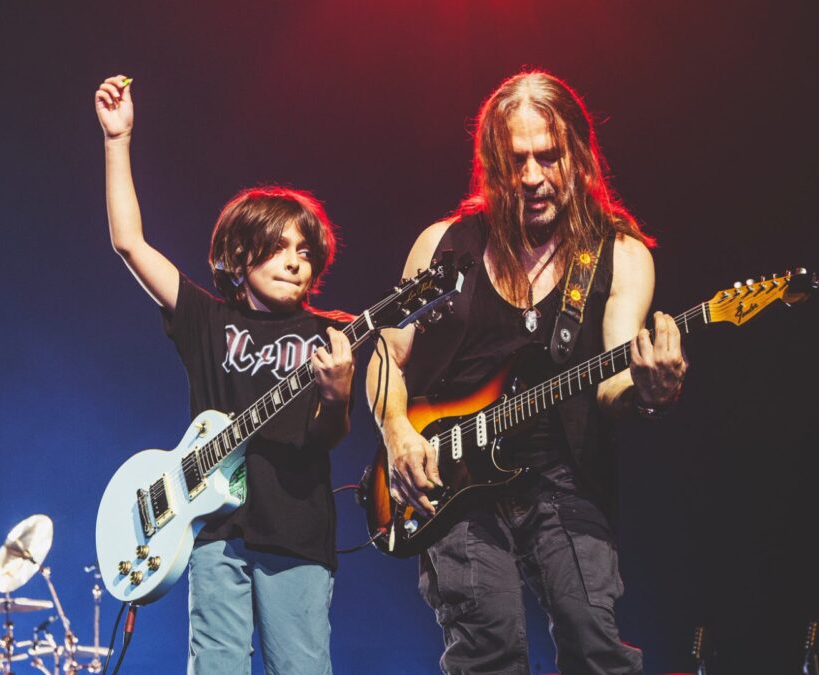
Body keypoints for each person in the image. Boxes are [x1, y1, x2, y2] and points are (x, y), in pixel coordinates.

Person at [367, 70, 687, 674]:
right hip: (453, 482)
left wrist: (649, 391)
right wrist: (396, 431)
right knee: (490, 644)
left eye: (550, 157)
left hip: (562, 475)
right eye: (517, 160)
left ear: (580, 157)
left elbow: (614, 380)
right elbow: (388, 353)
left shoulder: (618, 253)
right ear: (491, 163)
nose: (534, 177)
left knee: (593, 639)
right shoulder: (443, 245)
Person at [95, 75, 354, 674]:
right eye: (281, 245)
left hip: (296, 532)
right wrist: (118, 141)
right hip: (211, 529)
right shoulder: (206, 321)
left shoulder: (332, 332)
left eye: (307, 250)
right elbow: (129, 243)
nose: (296, 259)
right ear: (241, 255)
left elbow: (324, 437)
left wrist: (338, 395)